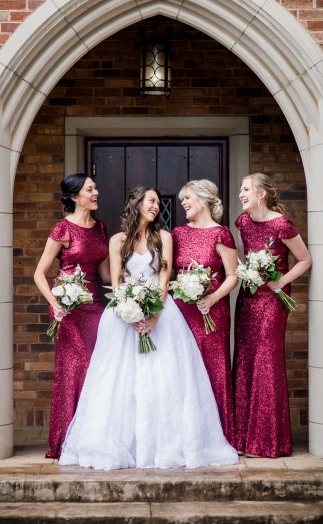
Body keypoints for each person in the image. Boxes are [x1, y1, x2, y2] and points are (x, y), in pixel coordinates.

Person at [59, 186, 238, 470]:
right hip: (122, 315)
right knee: (117, 382)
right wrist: (128, 312)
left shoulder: (164, 237)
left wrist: (154, 314)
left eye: (157, 202)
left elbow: (165, 276)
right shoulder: (117, 240)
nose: (155, 206)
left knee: (164, 379)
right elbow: (117, 280)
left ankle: (163, 445)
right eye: (151, 201)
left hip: (162, 313)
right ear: (137, 203)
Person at [233, 173, 312, 458]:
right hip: (248, 298)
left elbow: (305, 260)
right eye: (241, 189)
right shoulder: (242, 222)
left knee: (266, 360)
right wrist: (246, 271)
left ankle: (266, 441)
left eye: (245, 189)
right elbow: (242, 258)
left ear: (262, 193)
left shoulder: (282, 225)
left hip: (274, 301)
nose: (241, 194)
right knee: (245, 360)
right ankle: (242, 439)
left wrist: (281, 281)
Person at [34, 173, 109, 459]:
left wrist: (124, 289)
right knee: (76, 369)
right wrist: (55, 302)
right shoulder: (62, 229)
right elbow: (39, 273)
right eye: (90, 189)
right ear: (75, 196)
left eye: (95, 187)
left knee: (98, 369)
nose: (96, 192)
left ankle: (93, 438)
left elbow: (101, 271)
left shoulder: (100, 227)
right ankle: (68, 439)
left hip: (95, 305)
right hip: (69, 307)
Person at [172, 179, 238, 446]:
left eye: (187, 198)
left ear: (203, 200)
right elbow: (172, 272)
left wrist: (212, 297)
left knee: (212, 367)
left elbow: (233, 276)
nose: (184, 203)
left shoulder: (221, 234)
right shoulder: (177, 233)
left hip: (212, 311)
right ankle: (185, 435)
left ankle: (218, 435)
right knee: (183, 368)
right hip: (182, 312)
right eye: (182, 200)